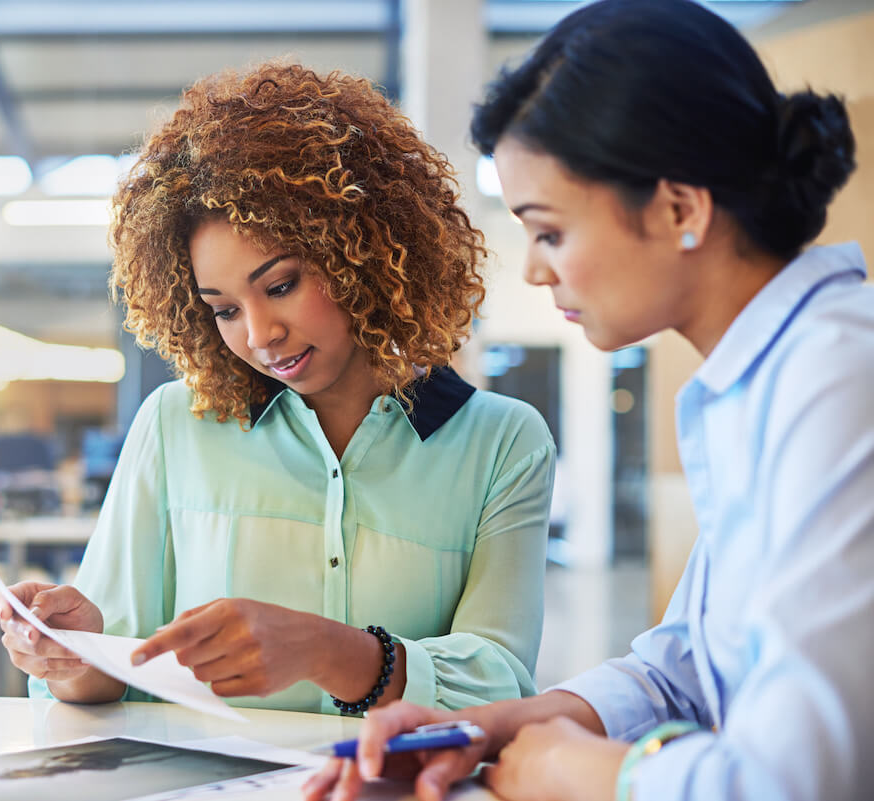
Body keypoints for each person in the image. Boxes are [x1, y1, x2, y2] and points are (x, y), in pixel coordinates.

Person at [304, 0, 871, 799]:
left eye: (550, 231)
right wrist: (505, 726)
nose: (535, 270)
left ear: (680, 208)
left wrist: (577, 770)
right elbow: (685, 669)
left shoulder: (838, 378)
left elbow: (798, 779)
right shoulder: (754, 382)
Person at [0, 61, 556, 716]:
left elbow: (505, 682)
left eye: (281, 285)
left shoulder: (502, 443)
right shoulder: (175, 425)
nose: (260, 334)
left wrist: (329, 650)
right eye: (225, 309)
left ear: (362, 251)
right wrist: (74, 653)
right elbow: (111, 673)